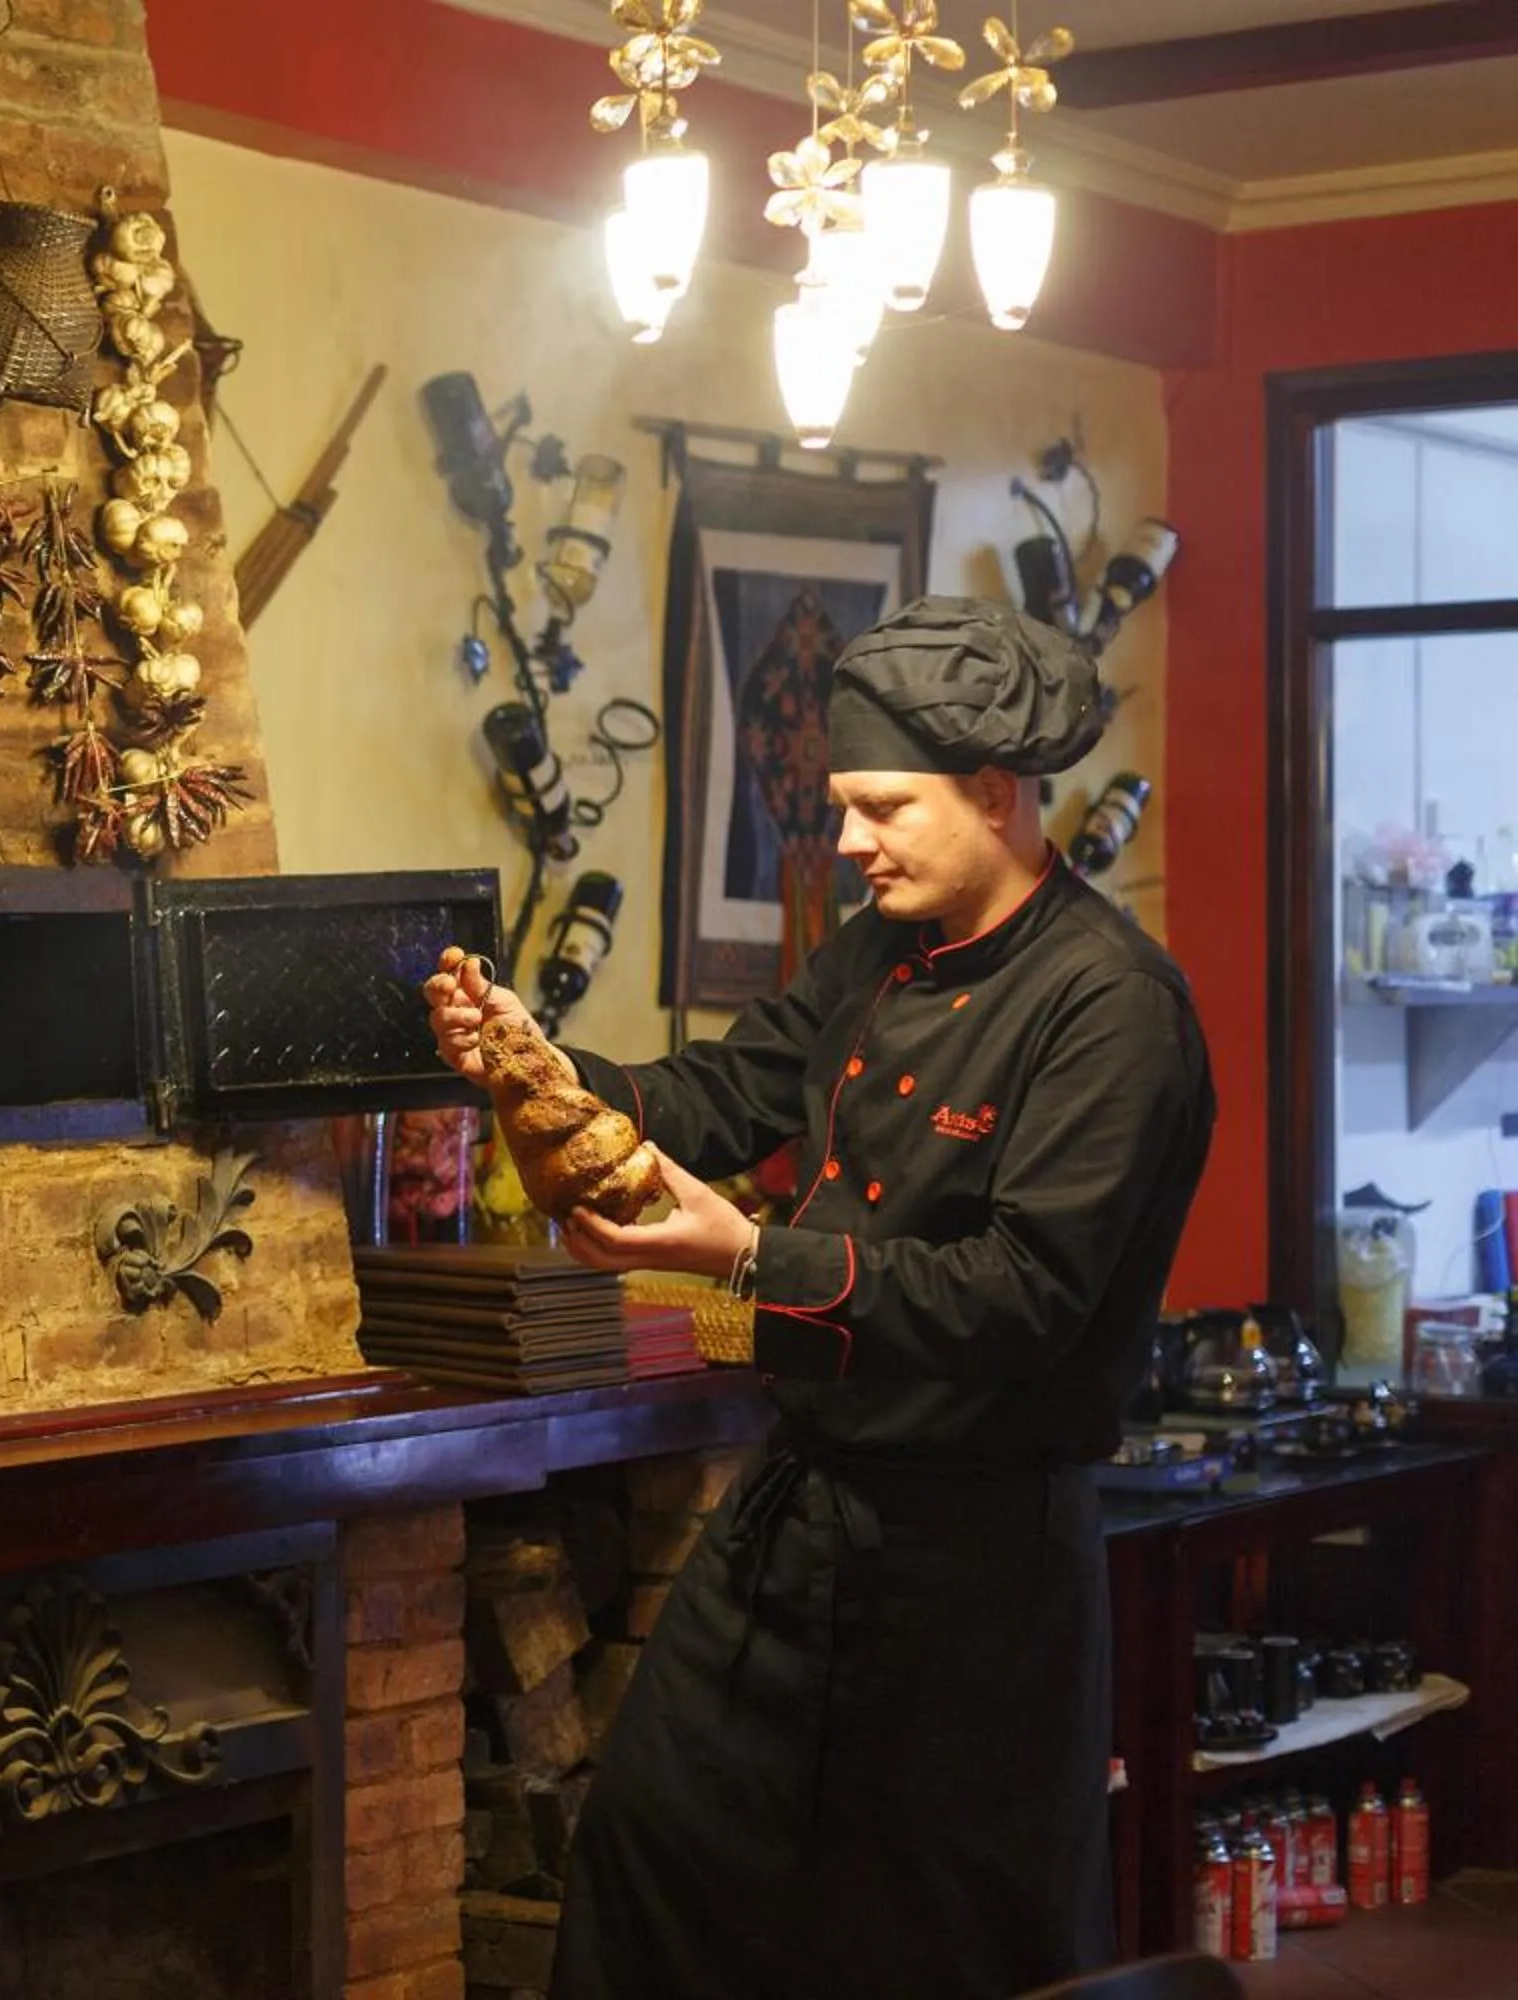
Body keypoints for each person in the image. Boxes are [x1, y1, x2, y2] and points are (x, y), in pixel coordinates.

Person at [424, 596, 1216, 2000]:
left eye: (882, 808)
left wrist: (738, 1265)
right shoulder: (878, 951)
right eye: (842, 805)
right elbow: (719, 1095)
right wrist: (536, 1065)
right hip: (796, 1517)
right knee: (653, 1866)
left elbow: (1019, 1299)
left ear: (996, 794)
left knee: (934, 1944)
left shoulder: (1112, 1008)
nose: (849, 843)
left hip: (976, 1563)